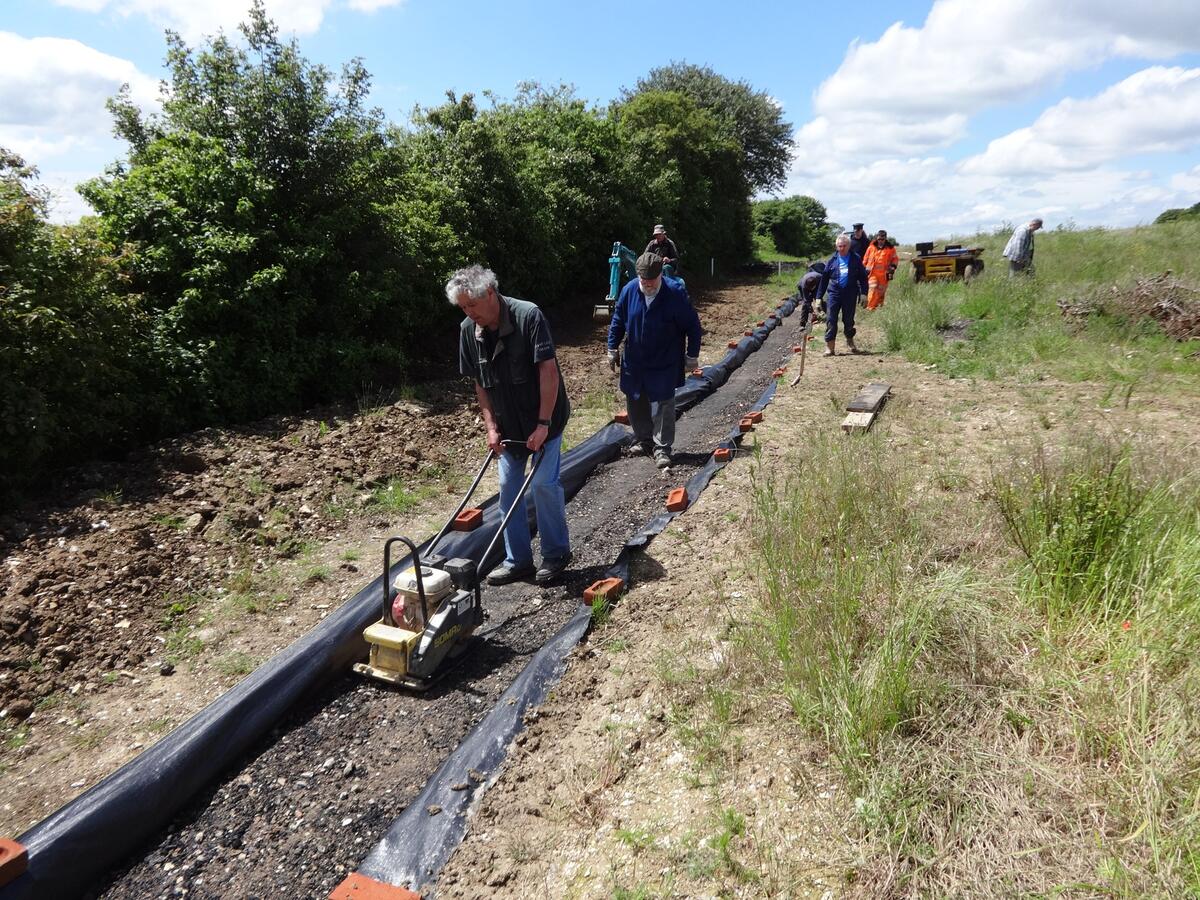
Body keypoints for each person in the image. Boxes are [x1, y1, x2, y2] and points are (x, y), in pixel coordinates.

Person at [451, 265, 573, 586]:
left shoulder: (528, 316)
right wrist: (490, 427)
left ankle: (556, 553)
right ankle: (518, 560)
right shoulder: (469, 331)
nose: (468, 312)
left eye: (472, 305)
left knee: (543, 484)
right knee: (508, 489)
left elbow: (548, 372)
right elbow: (481, 383)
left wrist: (543, 424)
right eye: (463, 307)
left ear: (490, 292)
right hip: (508, 428)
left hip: (544, 418)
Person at [607, 252, 701, 469]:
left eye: (652, 280)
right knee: (635, 400)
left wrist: (692, 355)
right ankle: (645, 440)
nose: (647, 284)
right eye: (643, 280)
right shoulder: (630, 290)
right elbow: (619, 319)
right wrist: (612, 347)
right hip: (635, 360)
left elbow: (693, 326)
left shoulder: (675, 293)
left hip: (664, 359)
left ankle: (662, 448)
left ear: (661, 275)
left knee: (663, 403)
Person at [816, 233, 869, 356]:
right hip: (834, 293)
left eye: (844, 246)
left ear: (849, 246)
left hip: (850, 293)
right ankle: (830, 347)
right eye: (839, 246)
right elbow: (824, 280)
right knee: (831, 319)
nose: (842, 248)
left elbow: (863, 278)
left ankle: (850, 341)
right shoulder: (831, 261)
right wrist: (819, 297)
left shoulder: (856, 259)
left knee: (848, 320)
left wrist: (864, 293)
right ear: (836, 247)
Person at [862, 230, 899, 310]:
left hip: (884, 275)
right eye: (879, 239)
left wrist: (893, 267)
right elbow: (865, 259)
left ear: (885, 238)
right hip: (872, 273)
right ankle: (870, 308)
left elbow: (895, 259)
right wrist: (863, 269)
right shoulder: (871, 247)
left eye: (882, 239)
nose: (880, 241)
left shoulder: (890, 248)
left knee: (881, 292)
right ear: (877, 238)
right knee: (873, 288)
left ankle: (879, 307)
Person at [797, 261, 826, 328]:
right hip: (801, 285)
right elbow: (807, 300)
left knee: (819, 300)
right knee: (805, 304)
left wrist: (818, 303)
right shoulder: (804, 286)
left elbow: (821, 291)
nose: (811, 290)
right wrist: (811, 310)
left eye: (811, 288)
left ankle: (827, 316)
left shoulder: (820, 278)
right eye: (809, 288)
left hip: (818, 285)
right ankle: (802, 323)